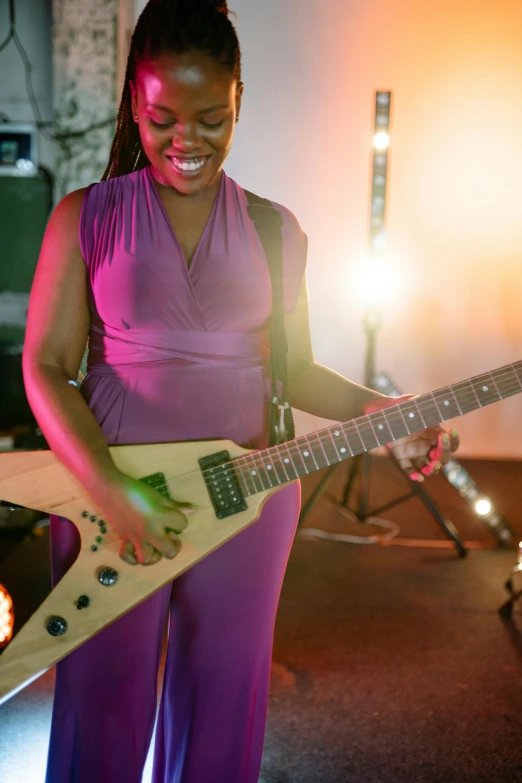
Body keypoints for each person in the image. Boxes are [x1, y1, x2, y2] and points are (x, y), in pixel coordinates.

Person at [22, 1, 459, 781]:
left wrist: (384, 416)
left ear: (239, 103)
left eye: (211, 118)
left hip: (252, 494)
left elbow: (297, 371)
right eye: (162, 118)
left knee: (223, 699)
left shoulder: (276, 229)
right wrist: (112, 489)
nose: (186, 140)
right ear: (133, 102)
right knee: (101, 696)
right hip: (108, 491)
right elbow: (46, 366)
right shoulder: (84, 216)